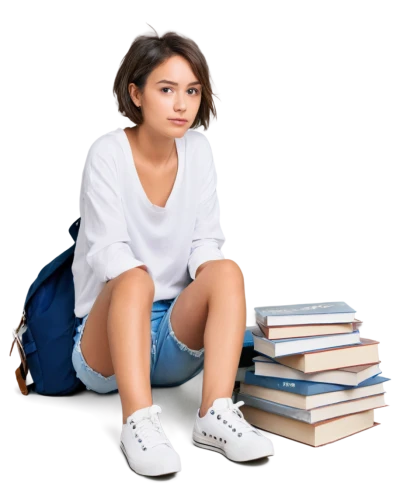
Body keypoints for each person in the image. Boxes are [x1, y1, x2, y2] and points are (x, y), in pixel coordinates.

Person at [71, 31, 274, 481]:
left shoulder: (199, 151)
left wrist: (216, 290)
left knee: (224, 270)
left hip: (172, 338)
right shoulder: (108, 152)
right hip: (108, 346)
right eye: (167, 90)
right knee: (133, 277)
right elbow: (107, 252)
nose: (182, 105)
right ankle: (139, 421)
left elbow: (204, 241)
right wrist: (140, 283)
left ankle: (214, 415)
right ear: (136, 94)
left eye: (192, 91)